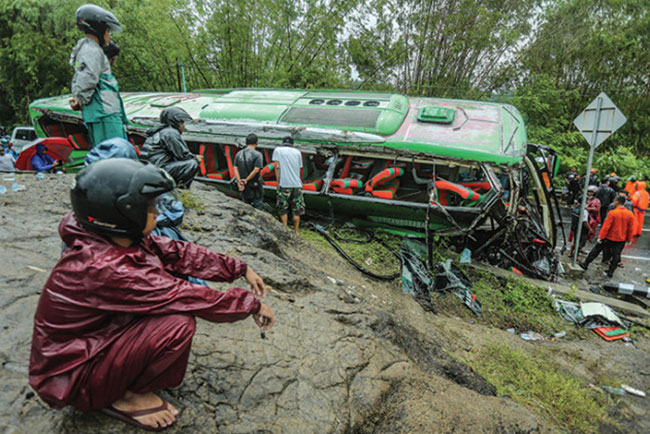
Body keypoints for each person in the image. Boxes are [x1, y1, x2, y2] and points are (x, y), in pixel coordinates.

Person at [29, 159, 274, 431]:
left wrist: (239, 268)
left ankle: (117, 383)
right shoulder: (105, 266)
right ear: (122, 213)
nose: (157, 212)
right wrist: (252, 304)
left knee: (172, 311)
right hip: (74, 377)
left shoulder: (111, 239)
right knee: (177, 324)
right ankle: (124, 397)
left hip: (91, 345)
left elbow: (178, 252)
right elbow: (184, 295)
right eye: (150, 207)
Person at [69, 4, 127, 147]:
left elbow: (84, 76)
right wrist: (80, 99)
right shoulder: (92, 51)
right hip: (104, 114)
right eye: (108, 31)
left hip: (104, 113)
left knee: (113, 154)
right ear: (98, 30)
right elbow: (87, 78)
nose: (109, 36)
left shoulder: (90, 50)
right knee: (113, 156)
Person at [140, 107, 202, 188]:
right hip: (159, 170)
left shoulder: (159, 131)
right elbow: (182, 155)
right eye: (181, 122)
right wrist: (196, 158)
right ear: (175, 121)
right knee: (192, 163)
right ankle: (181, 189)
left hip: (150, 170)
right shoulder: (170, 132)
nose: (183, 126)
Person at [579, 195, 635, 278]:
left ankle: (586, 264)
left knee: (596, 250)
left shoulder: (612, 213)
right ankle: (610, 272)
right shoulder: (630, 214)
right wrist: (629, 239)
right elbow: (630, 228)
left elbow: (606, 227)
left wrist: (601, 237)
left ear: (616, 202)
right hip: (621, 239)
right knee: (616, 255)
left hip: (609, 237)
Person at [272, 136, 304, 234]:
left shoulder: (278, 150)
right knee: (297, 208)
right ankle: (296, 230)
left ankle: (285, 228)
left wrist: (278, 182)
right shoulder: (297, 152)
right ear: (292, 144)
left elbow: (277, 167)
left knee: (283, 207)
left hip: (284, 183)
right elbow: (300, 168)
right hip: (296, 184)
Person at [233, 133, 264, 209]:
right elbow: (256, 170)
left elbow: (235, 168)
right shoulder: (258, 155)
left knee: (245, 206)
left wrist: (239, 181)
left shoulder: (239, 154)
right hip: (255, 185)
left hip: (244, 185)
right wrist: (247, 180)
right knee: (258, 205)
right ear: (256, 143)